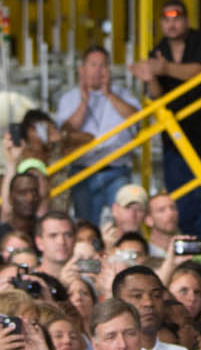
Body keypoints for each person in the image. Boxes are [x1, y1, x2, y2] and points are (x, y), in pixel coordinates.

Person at [130, 0, 201, 241]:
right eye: (166, 20)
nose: (172, 24)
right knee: (182, 200)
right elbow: (157, 96)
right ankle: (190, 245)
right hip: (177, 138)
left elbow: (200, 73)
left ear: (186, 20)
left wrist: (163, 69)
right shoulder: (157, 51)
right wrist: (149, 77)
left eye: (177, 18)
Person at [54, 46, 139, 225]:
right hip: (82, 171)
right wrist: (84, 102)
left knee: (123, 221)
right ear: (82, 69)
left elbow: (136, 118)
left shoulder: (123, 94)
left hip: (116, 169)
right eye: (93, 65)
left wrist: (108, 94)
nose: (98, 71)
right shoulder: (69, 98)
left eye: (103, 65)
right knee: (86, 223)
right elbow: (66, 130)